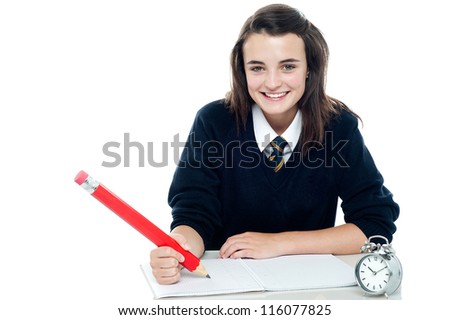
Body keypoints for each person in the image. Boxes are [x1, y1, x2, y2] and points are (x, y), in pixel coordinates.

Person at [150, 3, 399, 285]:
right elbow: (194, 213)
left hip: (309, 286)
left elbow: (374, 224)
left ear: (309, 69)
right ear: (242, 71)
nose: (272, 83)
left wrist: (279, 244)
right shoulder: (214, 121)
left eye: (288, 66)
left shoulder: (338, 127)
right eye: (257, 67)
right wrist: (181, 246)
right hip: (227, 281)